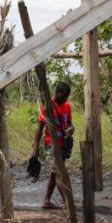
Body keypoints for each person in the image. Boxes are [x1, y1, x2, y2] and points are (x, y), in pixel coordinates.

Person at [31, 81, 75, 209]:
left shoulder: (67, 107)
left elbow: (70, 124)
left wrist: (71, 129)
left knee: (54, 174)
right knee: (59, 175)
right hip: (51, 145)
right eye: (65, 95)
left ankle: (47, 200)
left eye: (68, 96)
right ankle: (68, 203)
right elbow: (39, 129)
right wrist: (35, 149)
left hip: (63, 145)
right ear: (58, 92)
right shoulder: (48, 107)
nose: (66, 98)